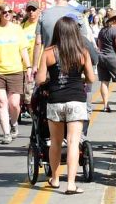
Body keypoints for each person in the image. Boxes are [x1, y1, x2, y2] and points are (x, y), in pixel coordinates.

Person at [35, 17, 95, 193]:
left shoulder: (48, 52)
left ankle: (54, 178)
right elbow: (91, 79)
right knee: (73, 142)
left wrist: (50, 78)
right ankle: (70, 183)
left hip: (55, 100)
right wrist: (81, 77)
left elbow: (39, 80)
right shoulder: (82, 52)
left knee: (55, 142)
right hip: (76, 100)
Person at [0, 5, 32, 144]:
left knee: (14, 104)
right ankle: (6, 133)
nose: (7, 14)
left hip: (16, 71)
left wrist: (28, 66)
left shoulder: (17, 29)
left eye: (9, 12)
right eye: (4, 12)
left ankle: (14, 123)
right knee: (2, 102)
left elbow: (23, 50)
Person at [94, 13, 116, 113]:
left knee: (104, 81)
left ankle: (105, 105)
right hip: (113, 58)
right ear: (115, 20)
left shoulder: (102, 30)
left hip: (102, 57)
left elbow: (99, 45)